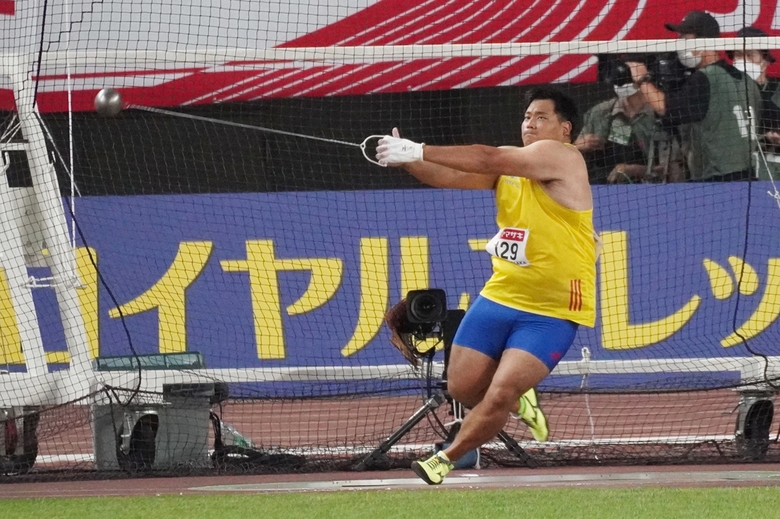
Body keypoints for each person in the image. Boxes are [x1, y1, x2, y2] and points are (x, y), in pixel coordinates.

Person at [375, 88, 597, 485]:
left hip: (552, 308)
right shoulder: (511, 168)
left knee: (498, 394)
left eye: (541, 117)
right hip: (501, 295)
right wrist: (409, 162)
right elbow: (451, 175)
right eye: (527, 116)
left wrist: (418, 147)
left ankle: (447, 457)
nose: (530, 123)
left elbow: (486, 156)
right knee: (462, 388)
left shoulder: (562, 156)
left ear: (565, 129)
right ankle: (520, 400)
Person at [629, 10, 761, 181]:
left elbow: (666, 109)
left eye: (685, 37)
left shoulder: (705, 78)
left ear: (704, 41)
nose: (680, 43)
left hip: (719, 178)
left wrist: (642, 79)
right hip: (749, 174)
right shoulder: (746, 80)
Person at [575, 61, 683, 183]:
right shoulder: (600, 113)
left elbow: (675, 170)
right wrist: (578, 147)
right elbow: (572, 160)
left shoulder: (661, 116)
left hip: (652, 189)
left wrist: (636, 170)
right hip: (604, 187)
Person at [727, 27, 780, 154]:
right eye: (739, 55)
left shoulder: (777, 88)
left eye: (750, 55)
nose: (743, 60)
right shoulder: (727, 91)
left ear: (765, 61)